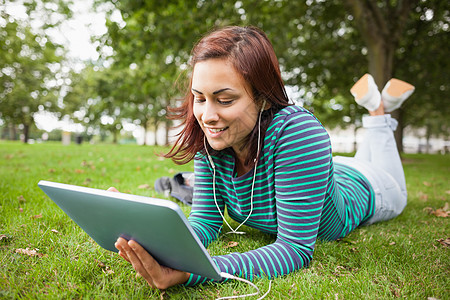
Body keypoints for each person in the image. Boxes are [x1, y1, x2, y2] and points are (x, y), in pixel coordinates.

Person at [112, 26, 413, 290]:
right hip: (322, 172)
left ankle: (377, 109)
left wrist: (195, 272)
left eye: (225, 99)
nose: (207, 116)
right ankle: (378, 106)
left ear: (263, 97)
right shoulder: (215, 139)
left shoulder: (299, 132)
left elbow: (295, 248)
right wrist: (150, 240)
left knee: (381, 136)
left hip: (374, 188)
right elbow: (204, 223)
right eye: (200, 98)